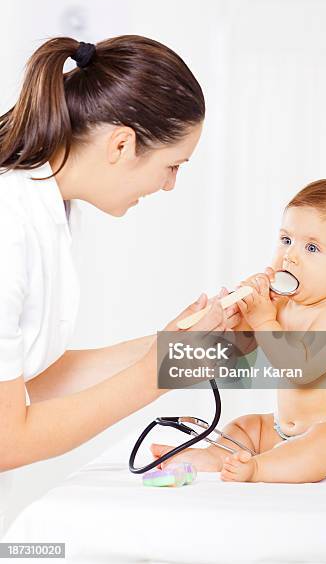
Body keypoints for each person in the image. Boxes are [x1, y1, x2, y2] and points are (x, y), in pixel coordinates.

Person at [0, 35, 234, 473]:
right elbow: (5, 440)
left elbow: (29, 383)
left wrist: (172, 350)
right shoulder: (7, 225)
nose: (170, 185)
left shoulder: (43, 206)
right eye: (173, 166)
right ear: (122, 144)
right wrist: (154, 374)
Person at [151, 179, 326, 482]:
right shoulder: (280, 303)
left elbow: (300, 370)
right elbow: (244, 349)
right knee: (247, 427)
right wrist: (241, 314)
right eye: (285, 240)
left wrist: (264, 321)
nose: (290, 256)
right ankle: (210, 456)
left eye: (311, 247)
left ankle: (260, 468)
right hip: (288, 431)